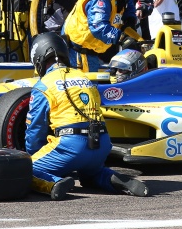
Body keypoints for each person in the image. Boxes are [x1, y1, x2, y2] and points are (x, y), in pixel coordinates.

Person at [24, 32, 148, 200]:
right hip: (101, 144)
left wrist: (35, 156)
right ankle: (113, 179)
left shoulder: (43, 85)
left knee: (22, 169)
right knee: (91, 174)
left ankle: (53, 183)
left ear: (38, 59)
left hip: (71, 146)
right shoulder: (83, 77)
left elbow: (35, 130)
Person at [62, 0, 147, 72]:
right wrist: (123, 38)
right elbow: (98, 27)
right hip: (79, 50)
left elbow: (126, 3)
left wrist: (130, 20)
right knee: (87, 88)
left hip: (93, 48)